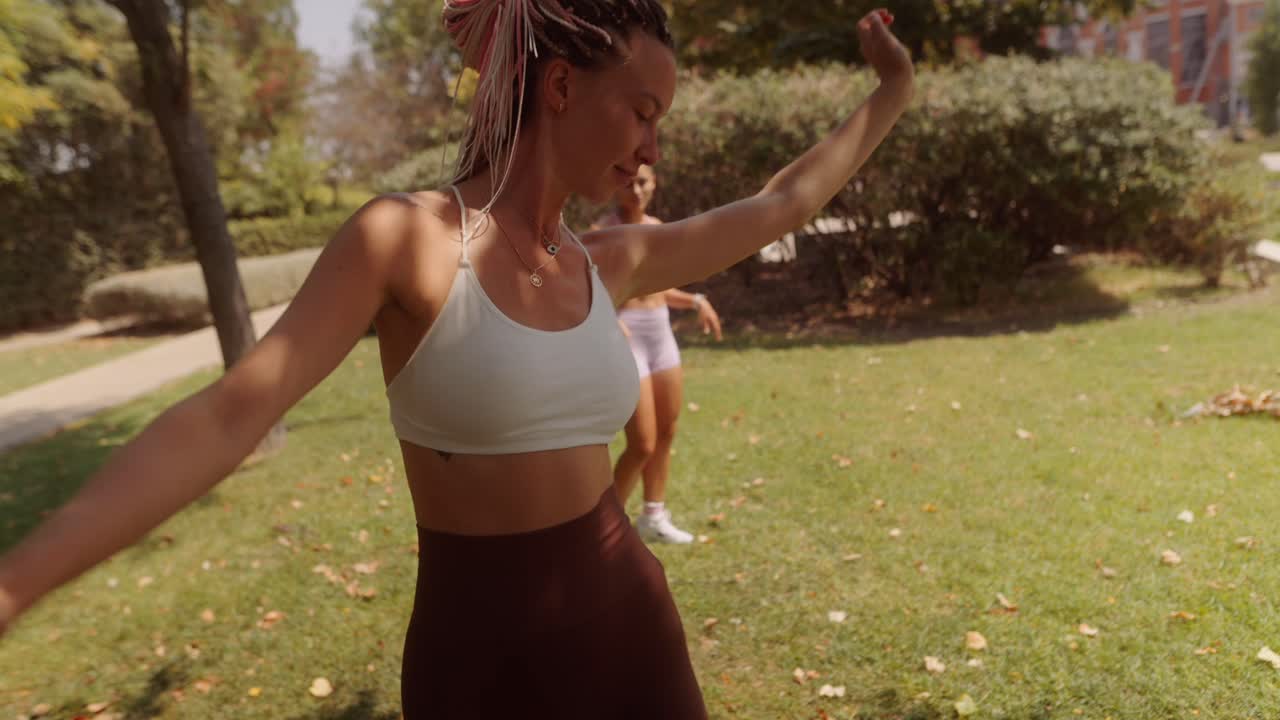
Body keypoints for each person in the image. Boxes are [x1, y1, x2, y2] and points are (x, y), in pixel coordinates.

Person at [0, 2, 913, 717]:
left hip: (631, 629)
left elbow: (783, 202)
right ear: (558, 87)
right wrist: (14, 586)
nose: (652, 146)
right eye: (641, 111)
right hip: (478, 666)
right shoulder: (404, 238)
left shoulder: (610, 261)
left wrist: (892, 92)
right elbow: (232, 413)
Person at [593, 165, 723, 544]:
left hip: (660, 331)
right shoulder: (603, 233)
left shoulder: (657, 228)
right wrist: (608, 318)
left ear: (654, 185)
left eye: (643, 182)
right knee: (642, 442)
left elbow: (658, 288)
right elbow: (583, 287)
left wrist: (696, 299)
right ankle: (600, 528)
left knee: (666, 432)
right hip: (626, 333)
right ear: (617, 186)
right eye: (629, 182)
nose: (635, 189)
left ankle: (653, 516)